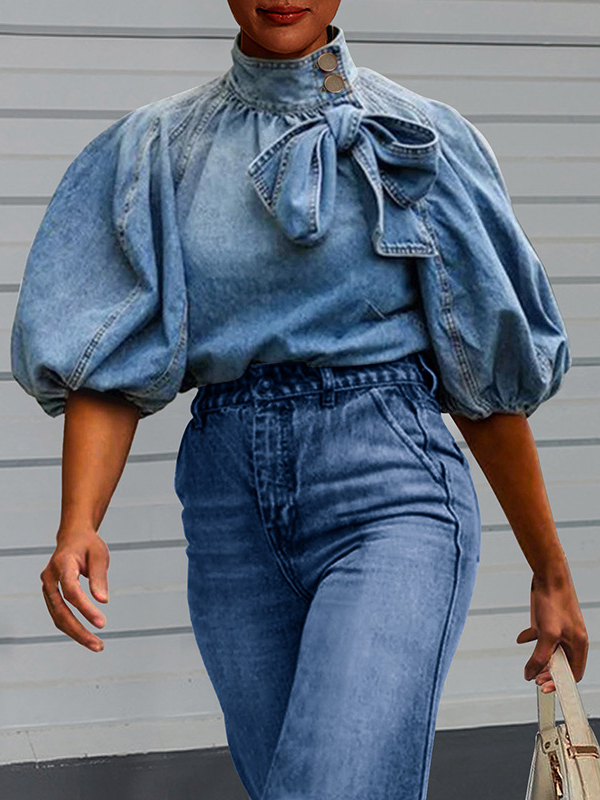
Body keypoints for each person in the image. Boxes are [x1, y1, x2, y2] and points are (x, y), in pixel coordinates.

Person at [10, 2, 589, 799]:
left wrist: (551, 571)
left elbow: (483, 380)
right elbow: (107, 365)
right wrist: (79, 522)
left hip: (391, 490)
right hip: (229, 511)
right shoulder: (160, 149)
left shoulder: (418, 139)